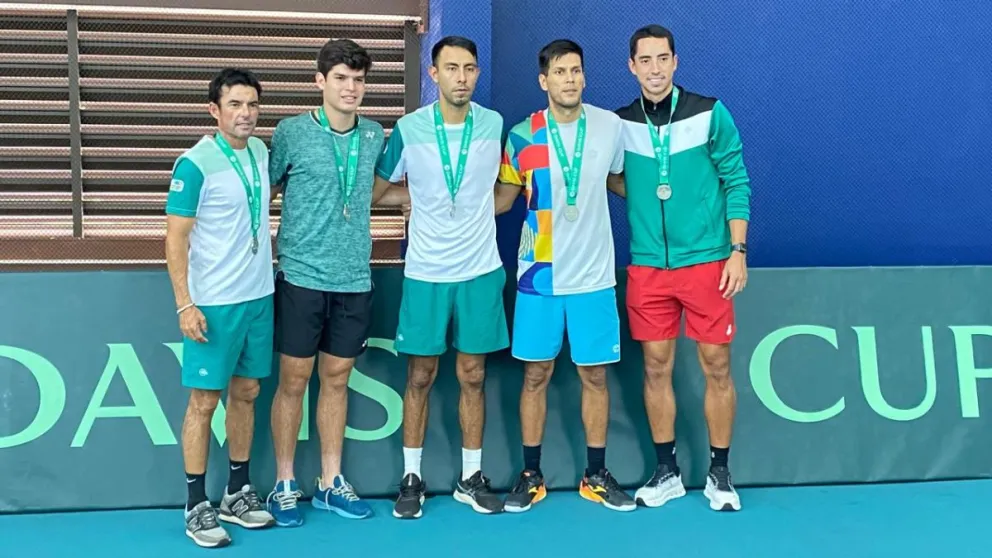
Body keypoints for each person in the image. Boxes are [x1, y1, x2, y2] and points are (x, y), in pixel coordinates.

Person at [265, 38, 409, 527]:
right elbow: (261, 190)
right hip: (302, 275)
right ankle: (285, 482)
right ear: (320, 81)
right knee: (293, 381)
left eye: (359, 79)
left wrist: (423, 196)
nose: (351, 88)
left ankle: (330, 482)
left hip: (354, 278)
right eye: (342, 78)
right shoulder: (290, 132)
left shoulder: (373, 134)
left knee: (337, 380)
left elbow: (377, 191)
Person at [610, 24, 751, 512]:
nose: (654, 69)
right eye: (644, 61)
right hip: (649, 267)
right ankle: (666, 470)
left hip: (709, 262)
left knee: (716, 366)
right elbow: (607, 177)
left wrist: (737, 250)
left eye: (662, 59)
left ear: (675, 62)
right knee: (655, 367)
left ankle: (720, 473)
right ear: (631, 66)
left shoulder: (710, 113)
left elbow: (737, 180)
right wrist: (650, 203)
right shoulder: (619, 124)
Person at [494, 39, 635, 513]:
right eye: (560, 72)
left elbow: (619, 181)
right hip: (540, 274)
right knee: (535, 375)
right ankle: (530, 474)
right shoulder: (521, 135)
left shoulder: (609, 126)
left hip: (594, 276)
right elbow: (502, 199)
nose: (570, 79)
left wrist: (674, 205)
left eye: (576, 70)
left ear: (584, 75)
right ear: (544, 80)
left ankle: (595, 474)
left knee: (594, 377)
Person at [375, 35, 508, 520]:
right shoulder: (409, 129)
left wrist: (478, 216)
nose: (462, 77)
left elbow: (507, 189)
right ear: (433, 74)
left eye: (469, 68)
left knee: (473, 375)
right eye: (451, 68)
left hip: (479, 271)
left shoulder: (493, 124)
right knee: (421, 375)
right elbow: (377, 189)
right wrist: (412, 202)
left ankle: (471, 478)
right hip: (426, 273)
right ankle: (412, 478)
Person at [165, 67, 276, 548]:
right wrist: (184, 304)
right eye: (235, 104)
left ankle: (238, 491)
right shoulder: (194, 163)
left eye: (252, 104)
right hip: (213, 304)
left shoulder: (261, 151)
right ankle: (195, 504)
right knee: (204, 402)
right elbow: (176, 238)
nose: (245, 113)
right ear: (215, 110)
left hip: (259, 297)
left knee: (247, 392)